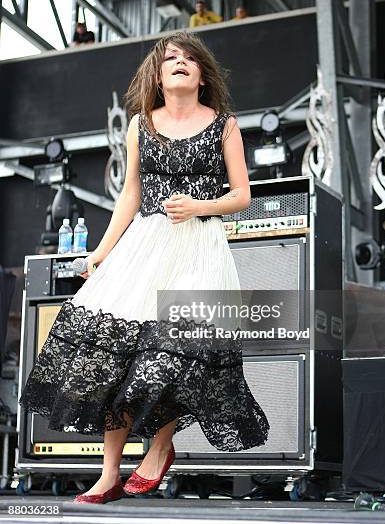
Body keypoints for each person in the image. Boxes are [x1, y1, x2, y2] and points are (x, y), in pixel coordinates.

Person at [19, 30, 270, 504]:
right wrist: (99, 253)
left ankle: (158, 449)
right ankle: (108, 473)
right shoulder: (141, 126)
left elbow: (242, 195)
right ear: (157, 75)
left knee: (176, 354)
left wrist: (200, 206)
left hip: (199, 248)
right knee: (113, 363)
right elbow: (129, 197)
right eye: (169, 58)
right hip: (144, 248)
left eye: (188, 58)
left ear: (201, 76)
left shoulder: (224, 125)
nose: (179, 62)